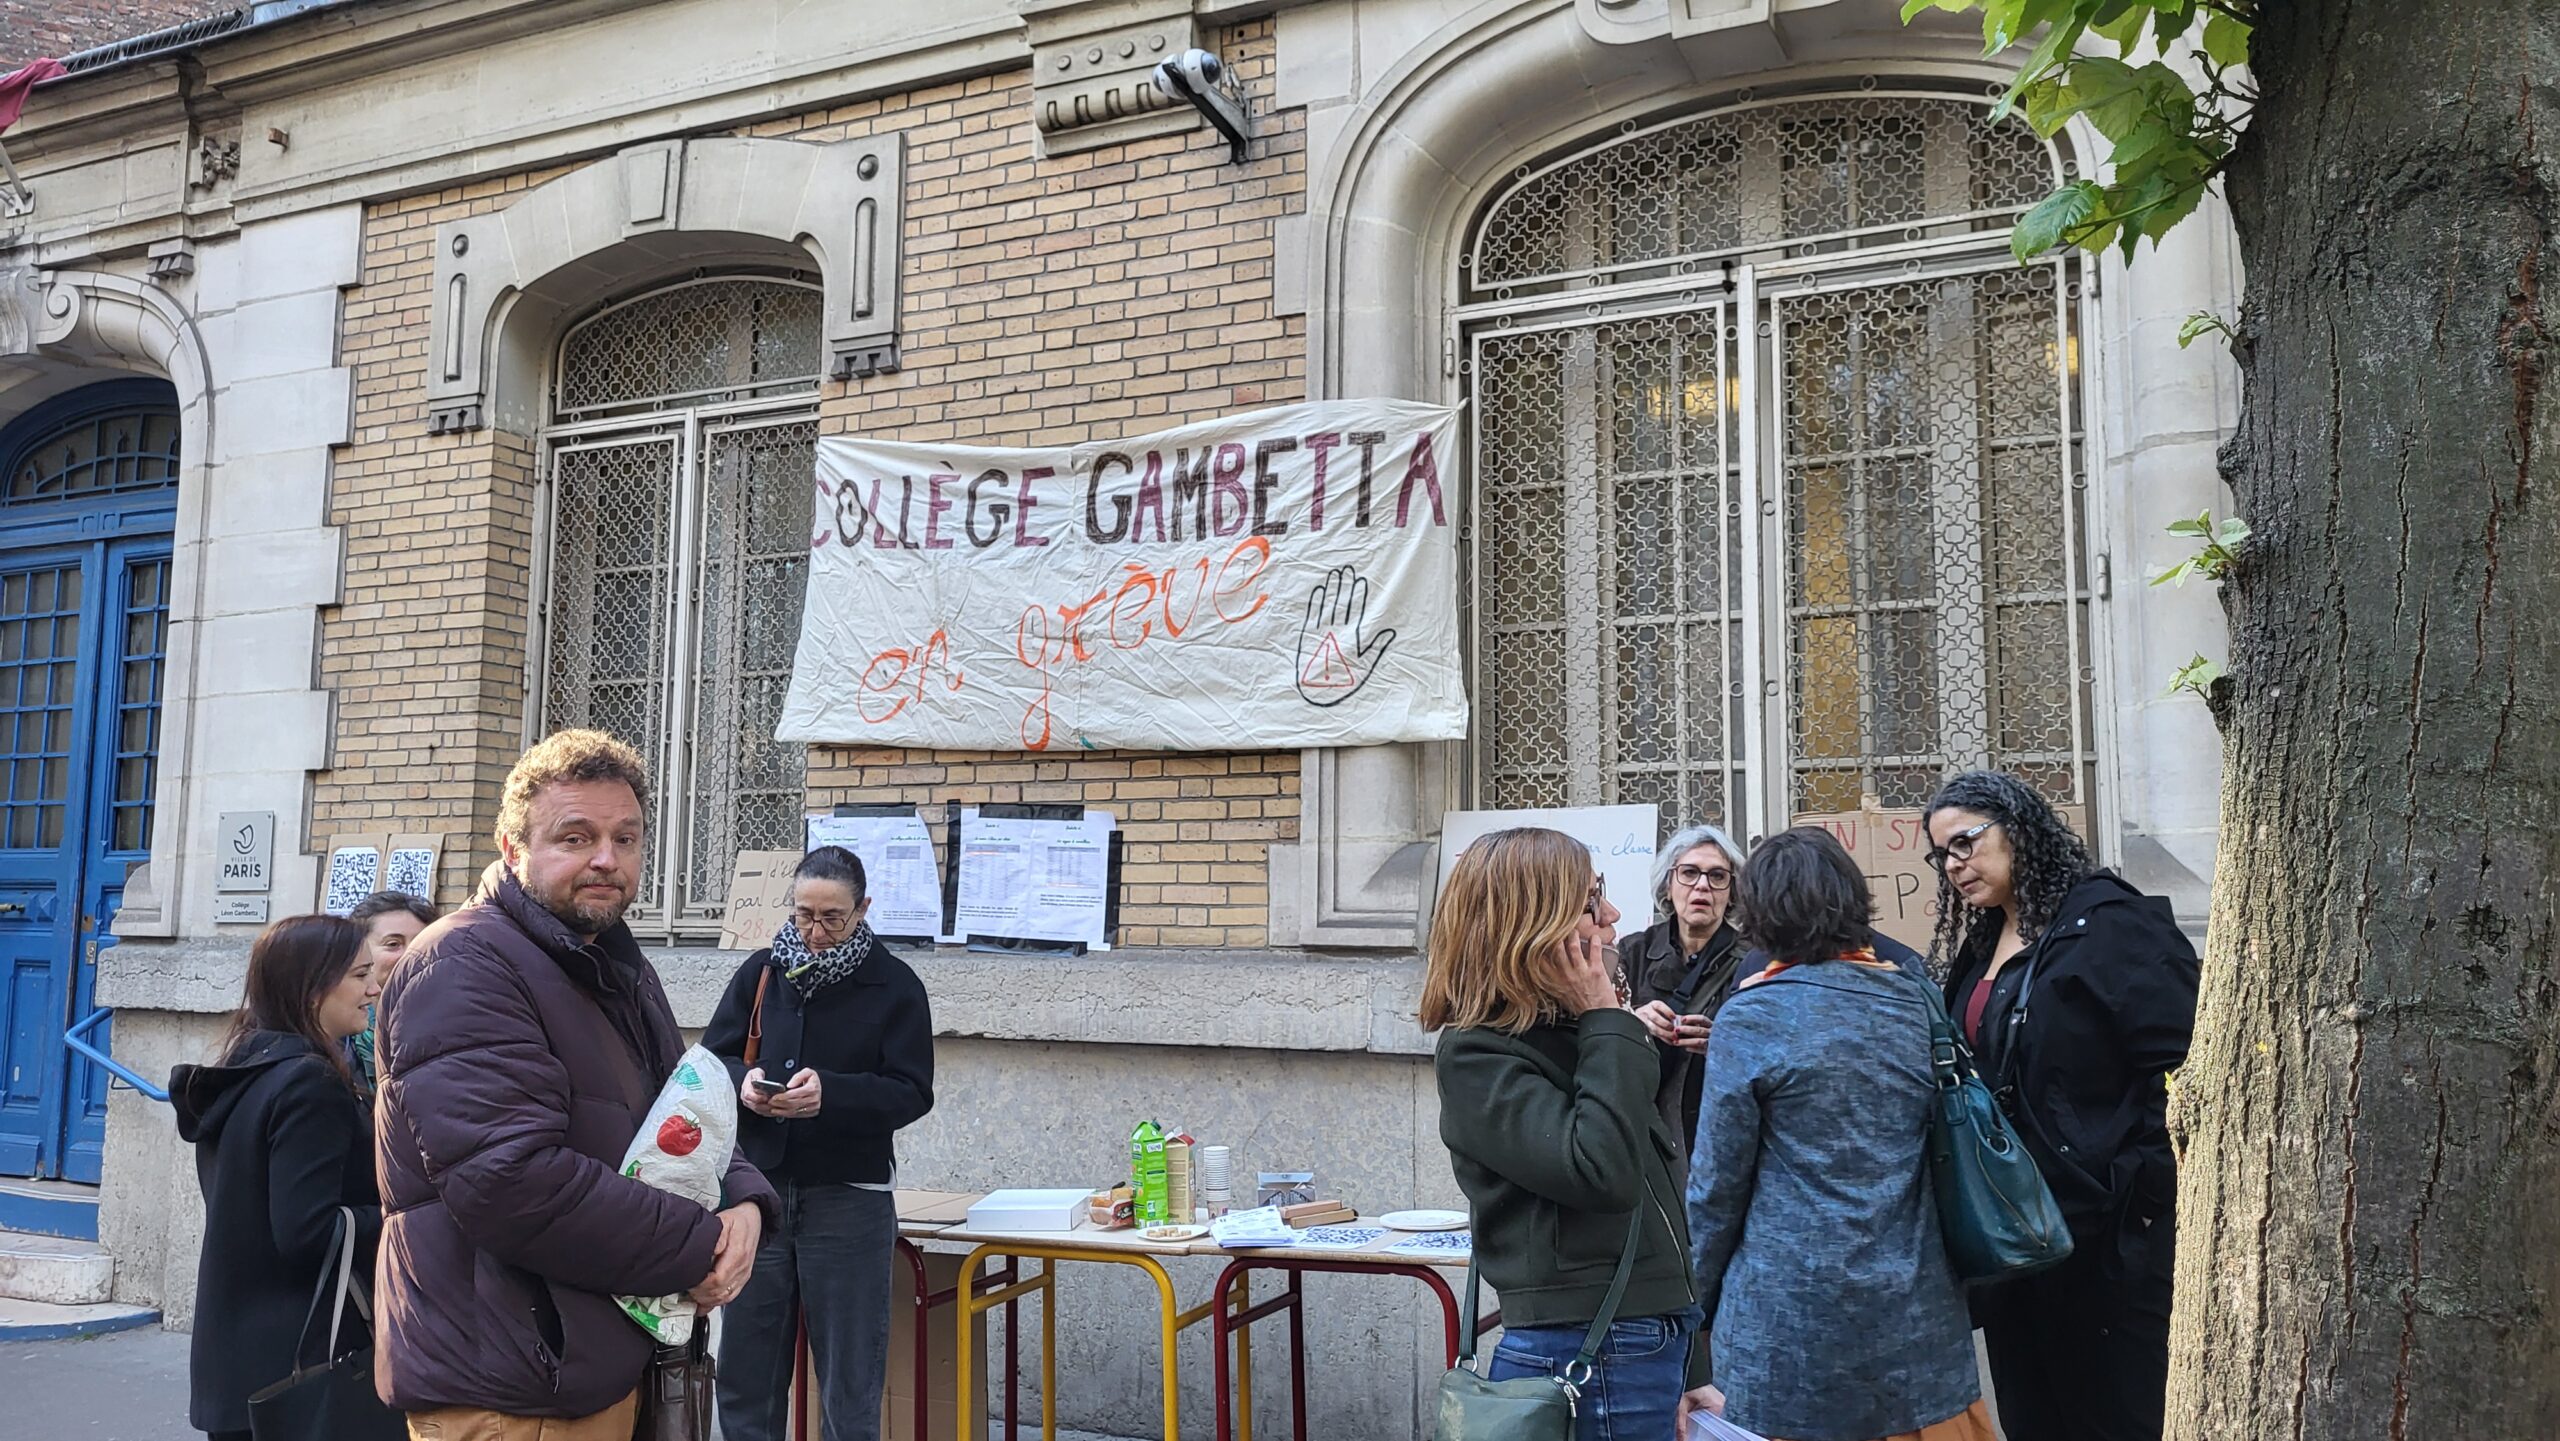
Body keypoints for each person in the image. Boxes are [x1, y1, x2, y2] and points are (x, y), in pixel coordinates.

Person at [373, 728, 780, 1439]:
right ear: (512, 848)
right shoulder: (464, 963)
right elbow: (510, 1179)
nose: (606, 858)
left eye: (626, 838)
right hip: (512, 1379)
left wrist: (745, 1204)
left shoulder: (611, 962)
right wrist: (699, 1247)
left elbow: (685, 1114)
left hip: (594, 1360)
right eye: (576, 836)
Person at [1682, 828, 1992, 1441]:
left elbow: (1717, 1186)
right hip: (1914, 1301)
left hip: (1787, 1311)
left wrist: (1691, 1305)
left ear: (1759, 912)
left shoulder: (1753, 1013)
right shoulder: (1916, 997)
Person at [1923, 771, 2198, 1441]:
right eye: (1941, 855)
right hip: (2018, 1242)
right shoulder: (1986, 940)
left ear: (2017, 828)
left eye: (1964, 842)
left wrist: (2129, 1179)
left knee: (2116, 1419)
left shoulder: (2107, 923)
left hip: (2108, 1241)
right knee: (2035, 1418)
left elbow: (2188, 1066)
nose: (1954, 864)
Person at [1422, 826, 1716, 1440]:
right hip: (1585, 1350)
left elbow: (1655, 1206)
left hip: (1641, 1340)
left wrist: (1691, 1363)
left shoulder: (1573, 1032)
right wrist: (1607, 1017)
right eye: (1588, 902)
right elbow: (1600, 1171)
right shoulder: (1480, 1053)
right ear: (1530, 926)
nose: (1611, 915)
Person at [702, 845, 936, 1441]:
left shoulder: (895, 985)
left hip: (848, 1197)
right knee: (747, 1370)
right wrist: (745, 1084)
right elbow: (711, 1063)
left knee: (850, 1379)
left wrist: (830, 1094)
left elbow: (911, 1091)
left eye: (833, 917)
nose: (816, 931)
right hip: (761, 1196)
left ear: (863, 909)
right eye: (804, 914)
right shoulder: (760, 972)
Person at [172, 914, 385, 1441]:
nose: (373, 989)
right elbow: (307, 1232)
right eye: (360, 975)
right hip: (303, 1364)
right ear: (313, 988)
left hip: (242, 1358)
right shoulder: (310, 1081)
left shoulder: (248, 1064)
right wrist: (403, 1217)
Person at [1627, 823, 1746, 1171]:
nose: (1702, 886)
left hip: (1721, 1133)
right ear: (1669, 883)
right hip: (1644, 1129)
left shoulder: (1755, 960)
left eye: (1718, 876)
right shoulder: (1633, 952)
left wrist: (1725, 1044)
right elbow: (1593, 1031)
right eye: (1689, 873)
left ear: (1732, 892)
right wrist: (1634, 1020)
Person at [344, 891, 439, 1094]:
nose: (410, 956)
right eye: (393, 944)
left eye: (421, 943)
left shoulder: (457, 1025)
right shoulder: (338, 1031)